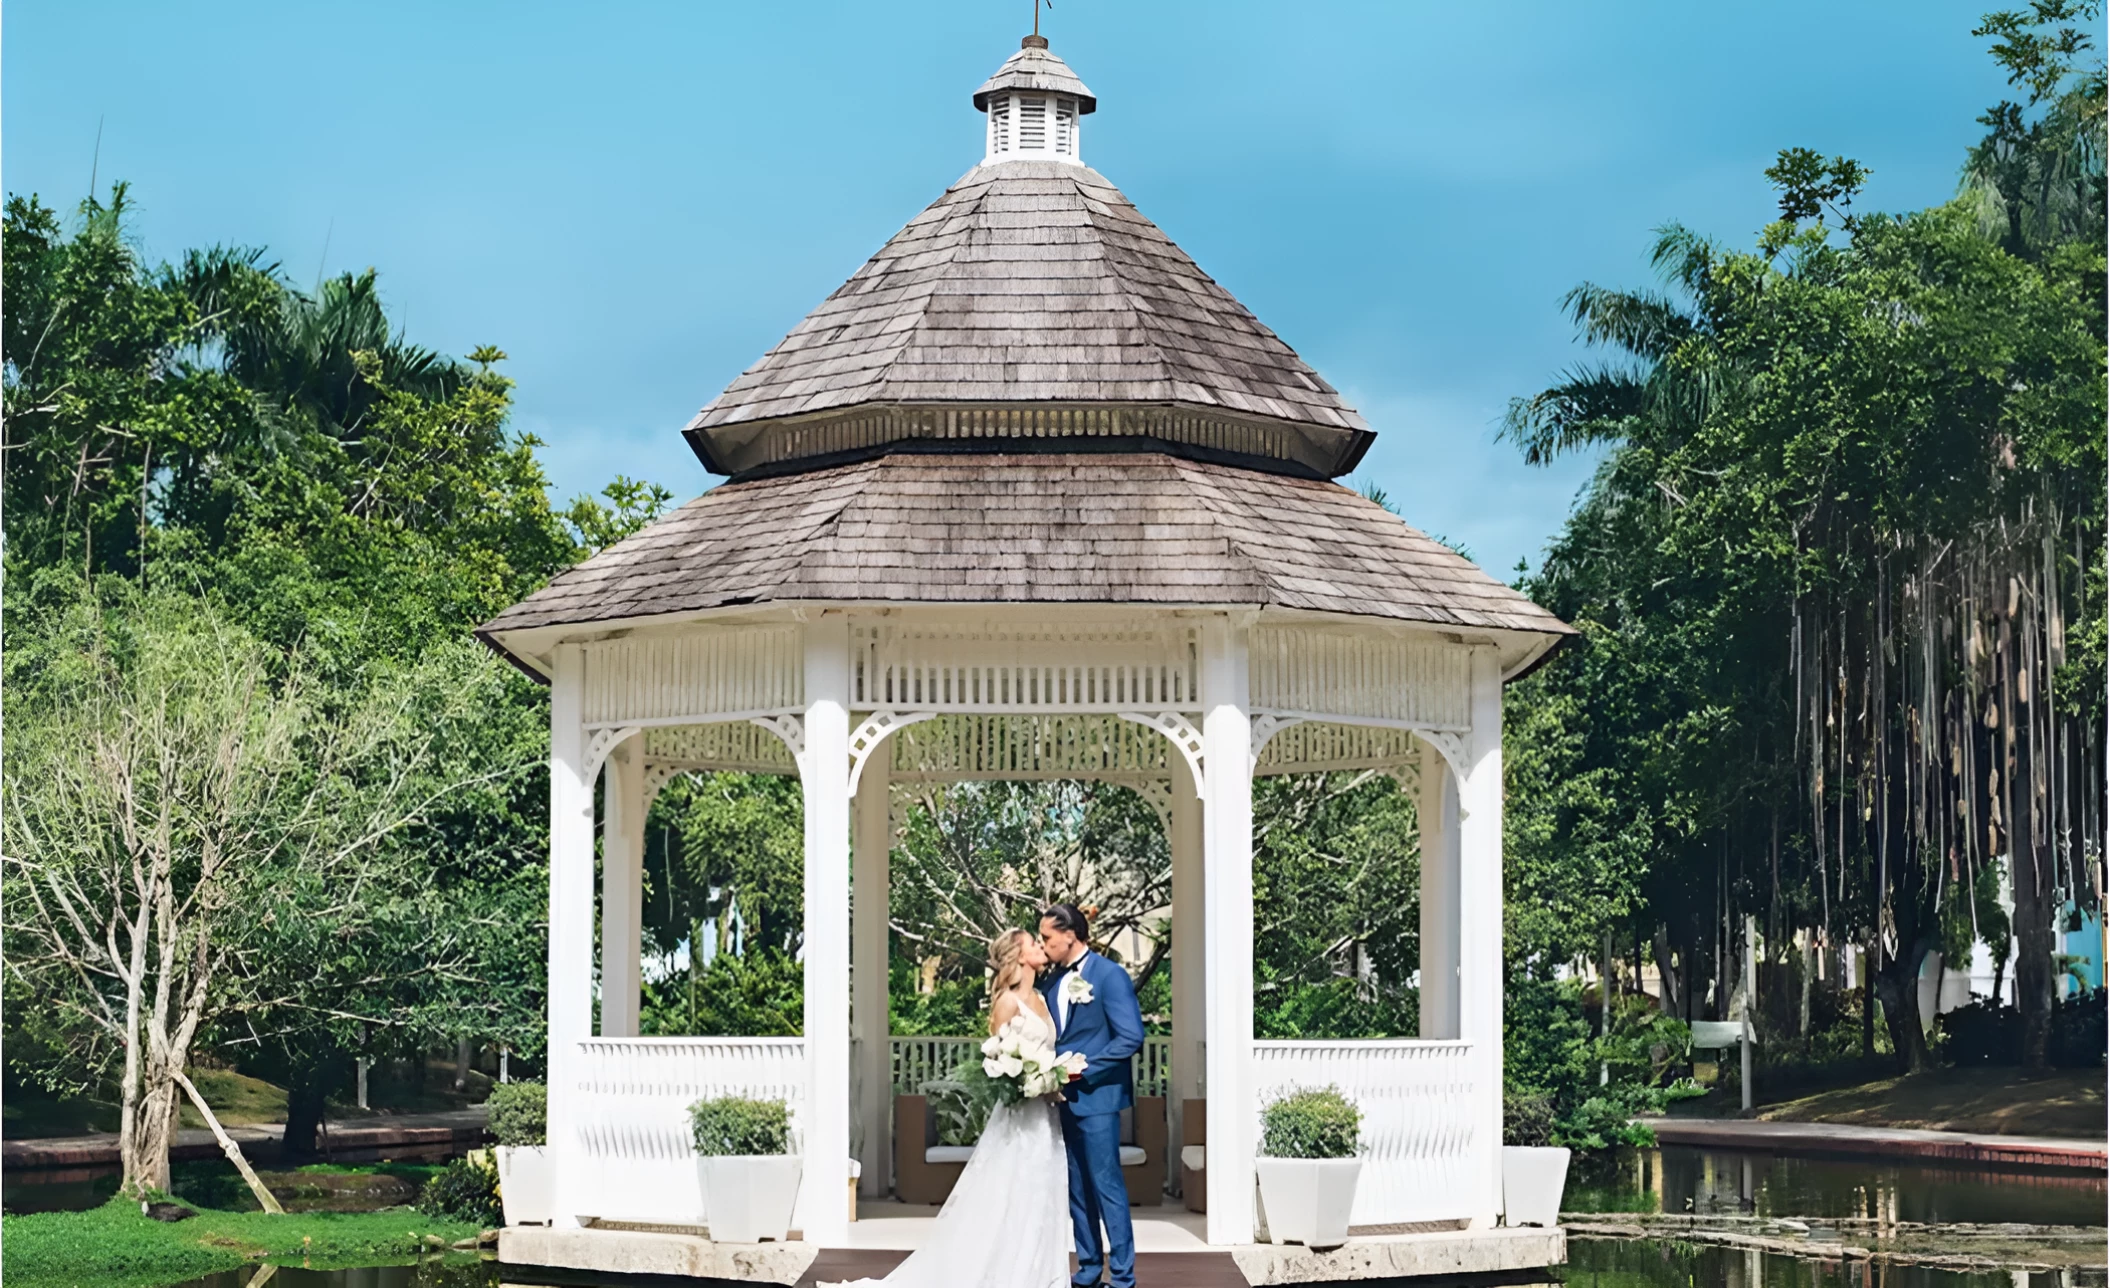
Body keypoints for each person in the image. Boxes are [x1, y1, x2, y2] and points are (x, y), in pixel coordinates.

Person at [832, 927, 1073, 1288]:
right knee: (1012, 1195)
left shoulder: (1041, 996)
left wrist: (1053, 1079)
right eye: (1033, 943)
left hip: (1046, 1116)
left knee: (1043, 1195)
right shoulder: (1007, 1003)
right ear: (1019, 956)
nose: (1041, 946)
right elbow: (998, 1063)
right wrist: (1028, 1081)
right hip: (1020, 1116)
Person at [1039, 903, 1146, 1288]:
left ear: (1070, 935)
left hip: (1099, 1098)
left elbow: (1131, 1037)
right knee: (1077, 1188)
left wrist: (1084, 1067)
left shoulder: (1110, 975)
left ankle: (1121, 1276)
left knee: (1106, 1185)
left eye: (1047, 937)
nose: (1044, 943)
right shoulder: (1050, 982)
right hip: (1061, 1101)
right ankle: (1087, 1269)